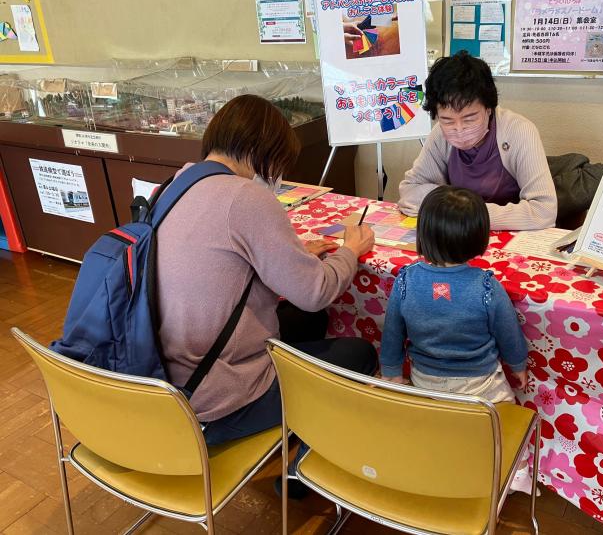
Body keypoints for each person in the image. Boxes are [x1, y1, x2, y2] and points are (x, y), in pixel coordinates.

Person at [156, 94, 378, 450]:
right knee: (360, 353)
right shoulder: (247, 196)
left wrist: (290, 256)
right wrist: (351, 250)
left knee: (309, 319)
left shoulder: (172, 186)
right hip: (216, 400)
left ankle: (297, 435)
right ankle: (300, 473)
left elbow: (220, 265)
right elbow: (315, 290)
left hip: (162, 378)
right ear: (265, 150)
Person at [379, 186, 534, 493]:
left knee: (440, 422)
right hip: (481, 385)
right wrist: (518, 365)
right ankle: (517, 476)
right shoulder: (487, 285)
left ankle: (440, 461)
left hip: (425, 381)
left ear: (422, 233)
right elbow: (509, 335)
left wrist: (392, 372)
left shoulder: (406, 280)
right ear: (479, 237)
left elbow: (392, 333)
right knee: (506, 424)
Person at [398, 51, 557, 231]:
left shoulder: (518, 131)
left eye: (470, 118)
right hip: (460, 236)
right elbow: (409, 191)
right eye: (447, 120)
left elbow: (544, 211)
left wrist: (466, 212)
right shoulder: (440, 136)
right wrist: (456, 207)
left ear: (489, 108)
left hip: (510, 240)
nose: (459, 129)